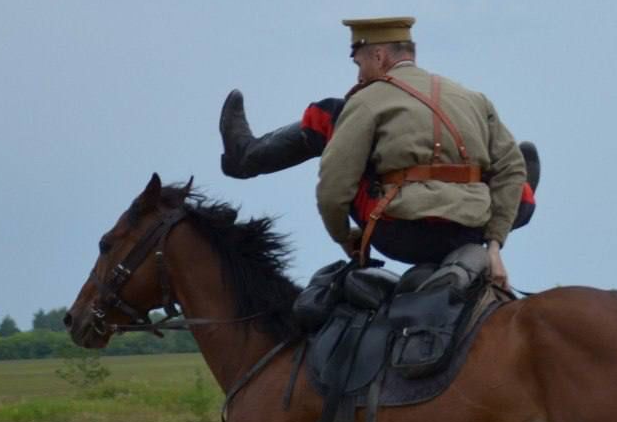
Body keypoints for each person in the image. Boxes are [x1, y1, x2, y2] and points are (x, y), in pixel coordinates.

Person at [218, 17, 538, 287]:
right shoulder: (473, 98)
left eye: (359, 64)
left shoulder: (367, 101)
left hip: (404, 231)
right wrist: (494, 245)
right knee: (507, 174)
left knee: (329, 117)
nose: (358, 76)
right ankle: (521, 203)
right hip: (471, 230)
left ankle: (245, 156)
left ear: (380, 56)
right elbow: (510, 167)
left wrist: (345, 239)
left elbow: (333, 189)